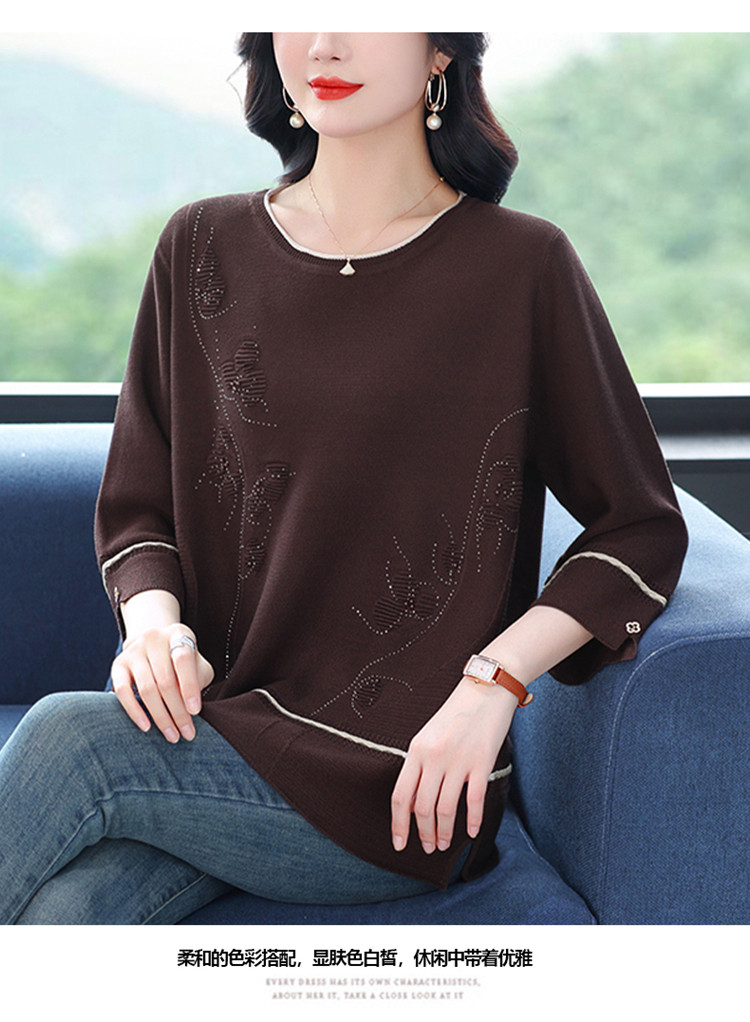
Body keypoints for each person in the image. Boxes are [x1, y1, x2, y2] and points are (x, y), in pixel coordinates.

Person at [0, 32, 687, 924]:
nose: (325, 41)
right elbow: (140, 504)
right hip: (210, 736)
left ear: (440, 51)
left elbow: (638, 525)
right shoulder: (199, 245)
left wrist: (495, 684)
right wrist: (153, 630)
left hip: (401, 786)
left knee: (68, 739)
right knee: (67, 917)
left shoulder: (521, 267)